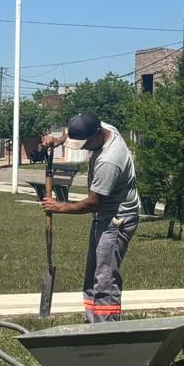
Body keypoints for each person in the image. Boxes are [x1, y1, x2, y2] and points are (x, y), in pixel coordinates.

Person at [40, 111, 140, 322]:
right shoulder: (103, 128)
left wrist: (60, 207)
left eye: (84, 143)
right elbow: (74, 133)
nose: (83, 148)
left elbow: (94, 202)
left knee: (105, 278)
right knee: (92, 275)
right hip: (104, 216)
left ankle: (106, 331)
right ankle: (92, 322)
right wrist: (58, 140)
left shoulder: (109, 160)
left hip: (117, 219)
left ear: (96, 134)